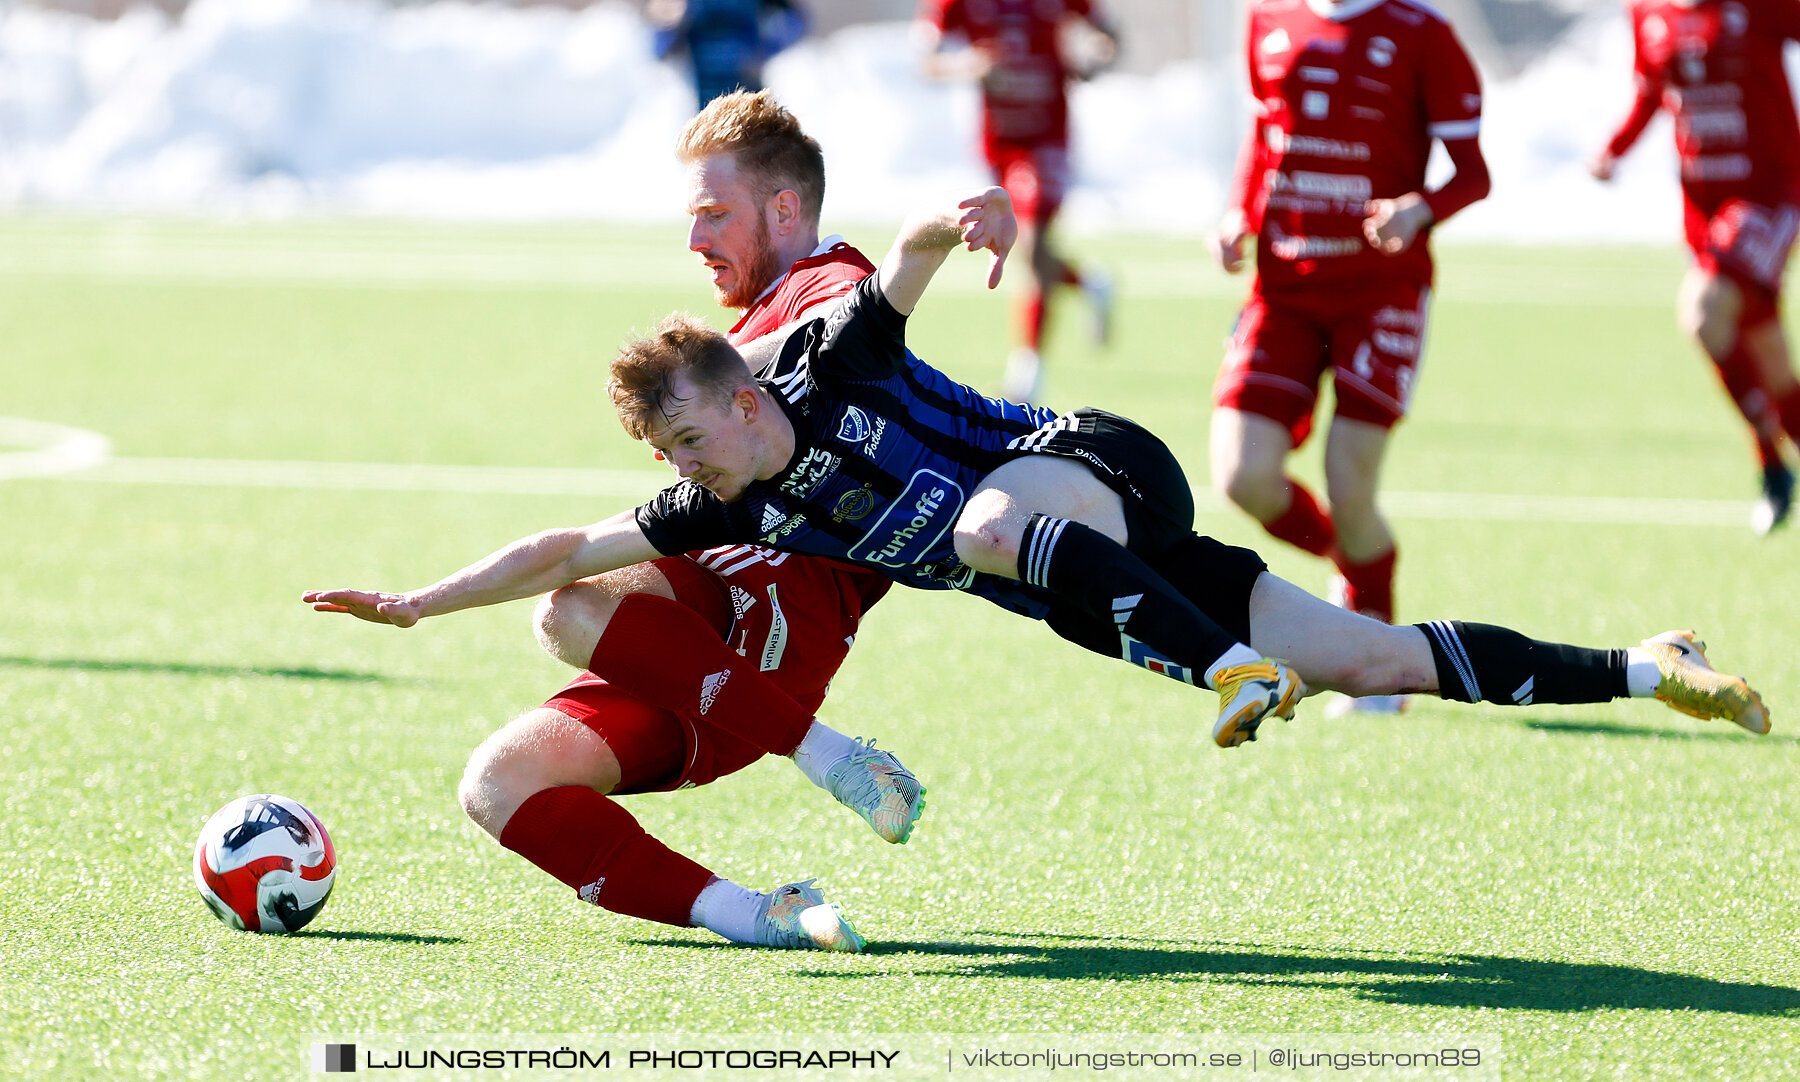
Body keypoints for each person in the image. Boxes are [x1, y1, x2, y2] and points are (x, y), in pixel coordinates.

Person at [308, 191, 1771, 871]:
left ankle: (1226, 678)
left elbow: (916, 259)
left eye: (706, 425)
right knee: (1373, 656)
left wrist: (979, 220)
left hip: (1085, 473)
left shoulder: (829, 364)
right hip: (1095, 581)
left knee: (999, 518)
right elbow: (564, 551)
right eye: (680, 453)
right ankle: (1652, 665)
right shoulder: (721, 497)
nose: (705, 460)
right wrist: (420, 605)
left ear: (746, 381)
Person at [310, 92, 927, 955]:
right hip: (702, 657)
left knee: (566, 611)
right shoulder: (739, 341)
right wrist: (420, 602)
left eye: (715, 214)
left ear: (785, 209)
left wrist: (714, 368)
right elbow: (570, 549)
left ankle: (832, 757)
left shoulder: (826, 283)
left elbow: (849, 325)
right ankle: (762, 918)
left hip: (787, 624)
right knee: (500, 783)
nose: (696, 240)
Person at [1210, 0, 1492, 715]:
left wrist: (1419, 209)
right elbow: (1264, 133)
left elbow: (1472, 173)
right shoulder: (1267, 18)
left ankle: (1377, 651)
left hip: (1381, 289)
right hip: (1283, 286)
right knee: (1242, 477)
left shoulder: (1420, 32)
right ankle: (1352, 568)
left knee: (1348, 475)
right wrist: (1240, 214)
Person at [1590, 0, 1800, 534]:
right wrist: (1615, 149)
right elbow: (1650, 91)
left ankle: (1772, 456)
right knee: (1768, 356)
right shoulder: (1645, 13)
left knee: (1704, 313)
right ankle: (1775, 469)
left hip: (1769, 199)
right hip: (1703, 211)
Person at [917, 0, 1120, 403]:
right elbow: (927, 59)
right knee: (1034, 253)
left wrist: (1094, 60)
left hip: (1047, 139)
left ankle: (1027, 379)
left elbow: (1108, 37)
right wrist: (970, 66)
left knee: (1030, 247)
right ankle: (1089, 283)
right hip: (999, 143)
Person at [649, 0, 808, 110]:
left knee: (754, 150)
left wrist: (765, 52)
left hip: (748, 94)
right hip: (702, 101)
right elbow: (657, 50)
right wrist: (668, 25)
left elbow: (797, 23)